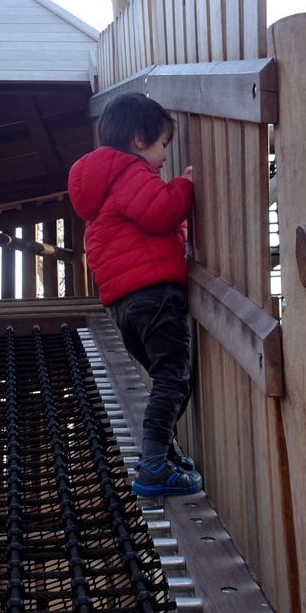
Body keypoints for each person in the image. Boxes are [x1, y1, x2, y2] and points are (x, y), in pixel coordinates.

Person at [68, 92, 202, 498]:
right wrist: (185, 186)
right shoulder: (130, 172)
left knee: (174, 381)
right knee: (172, 378)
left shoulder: (105, 185)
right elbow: (162, 211)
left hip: (124, 306)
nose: (165, 157)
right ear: (140, 139)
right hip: (154, 295)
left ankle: (161, 452)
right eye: (164, 145)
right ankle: (154, 465)